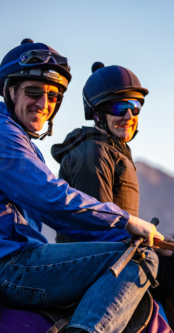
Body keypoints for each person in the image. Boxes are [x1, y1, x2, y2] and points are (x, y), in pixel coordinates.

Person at [0, 39, 169, 333]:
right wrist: (126, 224)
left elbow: (59, 217)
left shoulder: (21, 142)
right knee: (140, 260)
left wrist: (126, 237)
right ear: (10, 91)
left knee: (133, 251)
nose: (44, 104)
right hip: (2, 267)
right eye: (34, 92)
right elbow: (53, 199)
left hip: (12, 259)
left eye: (53, 97)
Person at [51, 62, 146, 244]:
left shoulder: (112, 150)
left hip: (115, 256)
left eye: (135, 107)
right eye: (119, 107)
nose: (129, 116)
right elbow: (97, 227)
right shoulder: (93, 154)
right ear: (97, 114)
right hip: (98, 265)